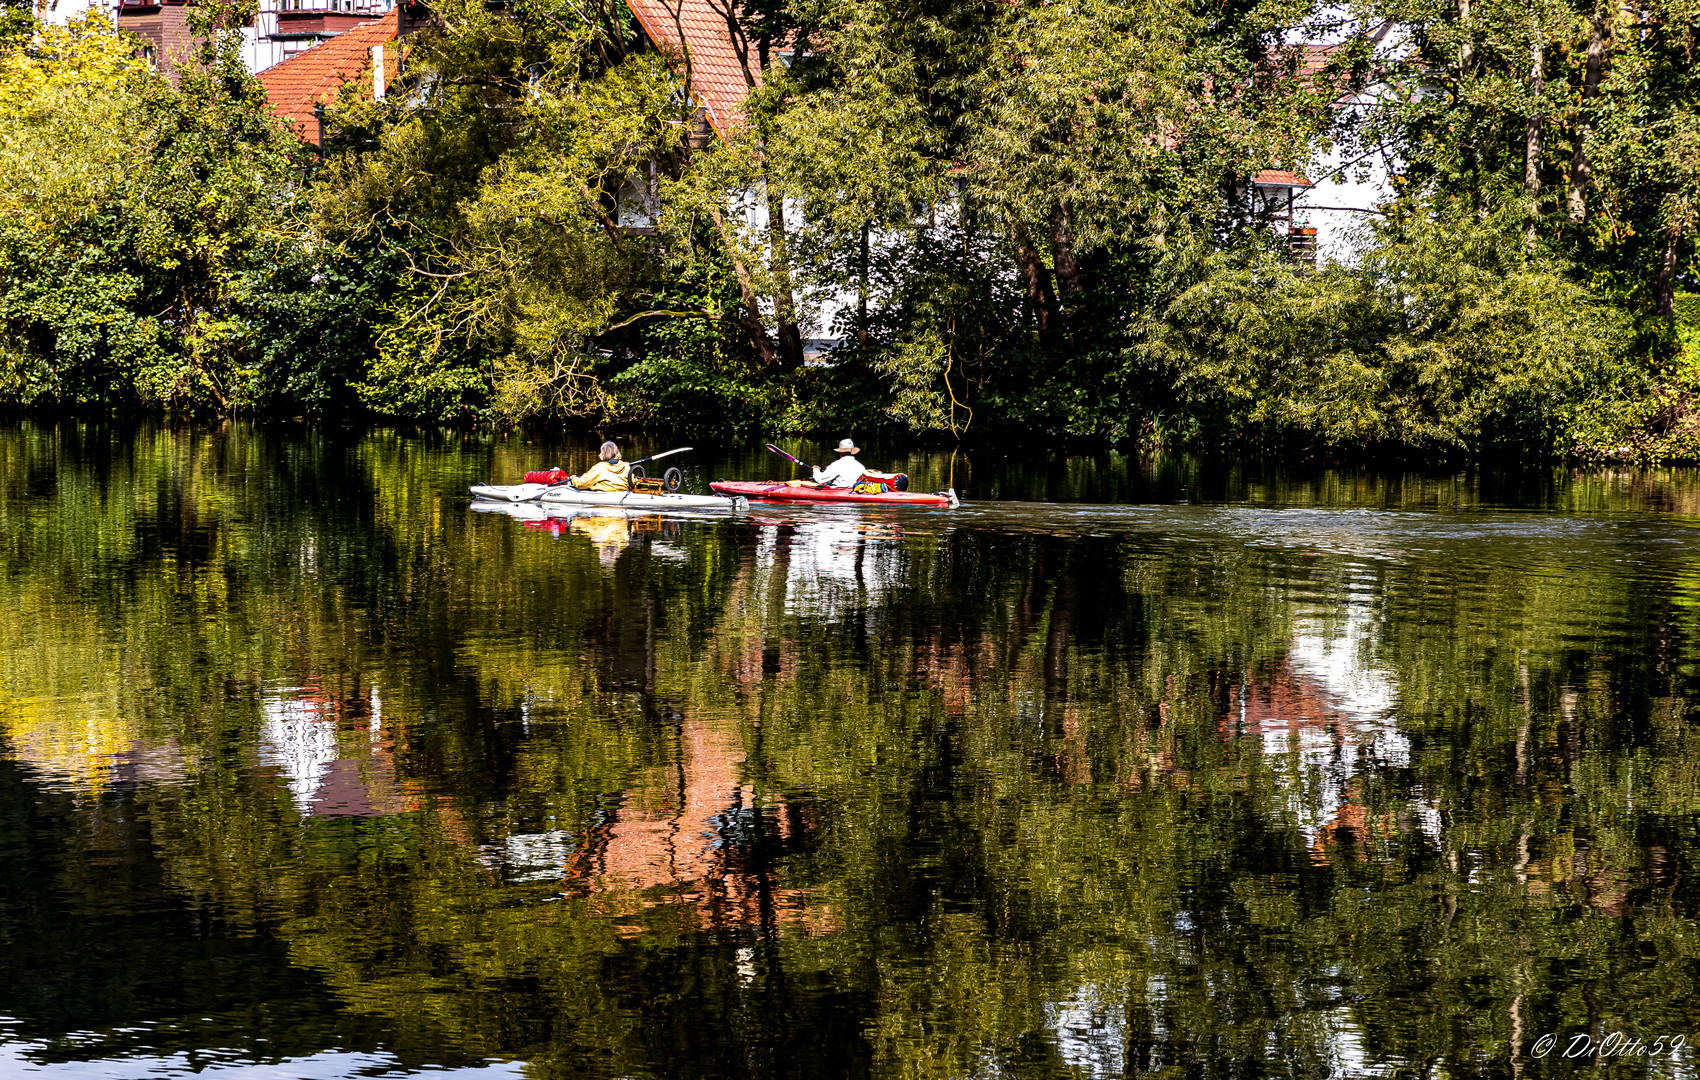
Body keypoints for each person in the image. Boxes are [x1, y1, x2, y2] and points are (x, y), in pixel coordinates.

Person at [796, 438, 865, 488]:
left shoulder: (837, 465)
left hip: (839, 495)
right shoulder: (861, 467)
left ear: (840, 451)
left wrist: (815, 470)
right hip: (853, 492)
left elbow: (820, 479)